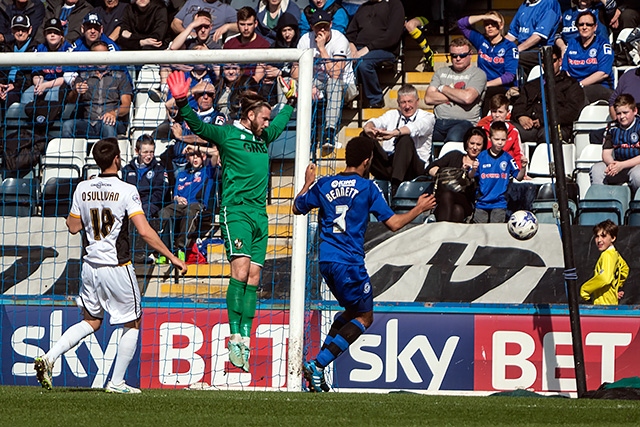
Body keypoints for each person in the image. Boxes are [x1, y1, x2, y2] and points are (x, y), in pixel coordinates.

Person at [33, 137, 186, 393]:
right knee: (133, 321)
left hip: (90, 266)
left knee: (92, 321)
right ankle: (116, 382)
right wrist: (172, 257)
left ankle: (49, 357)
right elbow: (145, 232)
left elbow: (72, 227)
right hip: (116, 265)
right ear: (118, 159)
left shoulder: (83, 188)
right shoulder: (127, 190)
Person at [166, 70, 295, 372]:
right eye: (263, 118)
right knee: (239, 273)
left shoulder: (264, 136)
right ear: (250, 115)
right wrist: (183, 101)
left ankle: (246, 340)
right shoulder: (228, 134)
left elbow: (280, 120)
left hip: (259, 215)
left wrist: (292, 99)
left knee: (254, 278)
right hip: (235, 211)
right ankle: (234, 335)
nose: (267, 123)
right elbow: (197, 125)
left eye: (267, 120)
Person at [292, 136, 437, 392]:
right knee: (365, 317)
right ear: (367, 161)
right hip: (349, 262)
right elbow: (393, 224)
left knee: (350, 312)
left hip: (326, 261)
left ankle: (317, 371)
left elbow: (296, 207)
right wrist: (418, 209)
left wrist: (306, 184)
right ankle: (318, 364)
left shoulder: (324, 184)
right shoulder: (367, 188)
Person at [295, 10, 357, 151]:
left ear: (331, 24)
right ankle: (295, 126)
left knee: (333, 83)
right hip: (317, 83)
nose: (322, 30)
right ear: (312, 27)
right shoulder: (305, 39)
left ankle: (329, 132)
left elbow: (335, 73)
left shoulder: (340, 40)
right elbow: (295, 71)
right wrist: (308, 85)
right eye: (318, 27)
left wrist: (322, 48)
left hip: (345, 85)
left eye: (325, 26)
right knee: (288, 81)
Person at [362, 84, 435, 196]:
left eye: (410, 101)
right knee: (364, 137)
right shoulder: (392, 114)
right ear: (398, 103)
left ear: (417, 101)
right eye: (403, 102)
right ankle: (360, 181)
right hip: (390, 162)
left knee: (405, 139)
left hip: (414, 166)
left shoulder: (427, 117)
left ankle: (395, 188)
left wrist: (394, 133)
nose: (407, 106)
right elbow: (376, 121)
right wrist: (369, 128)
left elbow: (415, 128)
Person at [511, 44, 584, 144]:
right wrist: (521, 116)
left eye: (552, 61)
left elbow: (572, 111)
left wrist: (543, 119)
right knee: (505, 130)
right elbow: (519, 104)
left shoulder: (571, 85)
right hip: (530, 127)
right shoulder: (532, 84)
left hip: (556, 126)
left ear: (560, 61)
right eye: (545, 62)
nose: (548, 65)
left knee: (547, 135)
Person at [62, 41, 132, 138]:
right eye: (97, 55)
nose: (101, 58)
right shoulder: (82, 76)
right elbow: (71, 100)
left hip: (112, 122)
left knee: (107, 125)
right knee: (67, 125)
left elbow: (126, 105)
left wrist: (113, 113)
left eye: (104, 55)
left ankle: (110, 152)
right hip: (87, 122)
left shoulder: (120, 76)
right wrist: (75, 92)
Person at [157, 149, 217, 262]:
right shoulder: (181, 175)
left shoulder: (207, 171)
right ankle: (164, 251)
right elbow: (175, 195)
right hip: (180, 205)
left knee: (190, 211)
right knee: (163, 212)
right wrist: (177, 198)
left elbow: (215, 154)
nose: (195, 158)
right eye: (191, 155)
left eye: (198, 155)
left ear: (203, 157)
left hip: (197, 205)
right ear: (187, 158)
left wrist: (195, 147)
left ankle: (181, 249)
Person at [424, 37, 487, 143]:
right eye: (454, 55)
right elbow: (429, 98)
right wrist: (458, 95)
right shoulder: (441, 72)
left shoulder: (478, 74)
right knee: (417, 134)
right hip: (438, 122)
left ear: (470, 54)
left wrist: (443, 88)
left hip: (465, 123)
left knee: (453, 138)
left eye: (462, 55)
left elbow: (468, 98)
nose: (458, 58)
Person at [346, 0, 405, 109]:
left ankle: (376, 99)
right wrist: (351, 46)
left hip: (385, 49)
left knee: (363, 63)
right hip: (359, 48)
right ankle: (348, 98)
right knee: (339, 61)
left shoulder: (394, 4)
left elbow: (392, 36)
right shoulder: (364, 7)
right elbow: (351, 32)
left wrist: (368, 48)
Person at [458, 11, 519, 115]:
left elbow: (509, 76)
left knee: (485, 96)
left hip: (502, 88)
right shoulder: (481, 40)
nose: (490, 27)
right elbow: (461, 24)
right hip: (482, 86)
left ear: (501, 25)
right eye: (486, 24)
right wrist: (483, 16)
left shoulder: (510, 47)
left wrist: (485, 85)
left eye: (493, 23)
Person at [122, 134, 169, 264]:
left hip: (150, 205)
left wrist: (141, 205)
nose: (149, 156)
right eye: (146, 152)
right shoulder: (127, 170)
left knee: (143, 214)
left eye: (152, 152)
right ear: (137, 152)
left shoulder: (159, 169)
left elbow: (160, 193)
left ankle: (139, 252)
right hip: (130, 204)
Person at [470, 121, 528, 223]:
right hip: (482, 203)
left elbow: (518, 177)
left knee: (496, 233)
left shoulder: (508, 158)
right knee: (479, 233)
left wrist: (523, 168)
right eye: (496, 139)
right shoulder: (482, 156)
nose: (500, 142)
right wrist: (474, 169)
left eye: (503, 139)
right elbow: (470, 175)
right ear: (489, 138)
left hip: (499, 203)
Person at [427, 127, 485, 223]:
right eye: (472, 143)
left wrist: (471, 172)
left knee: (448, 195)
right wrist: (448, 173)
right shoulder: (454, 156)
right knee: (457, 211)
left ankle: (441, 232)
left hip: (467, 201)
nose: (475, 147)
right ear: (466, 143)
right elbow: (431, 168)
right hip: (446, 205)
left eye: (478, 145)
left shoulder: (483, 163)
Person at [590, 94, 640, 193]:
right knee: (597, 170)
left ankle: (636, 205)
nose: (622, 117)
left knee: (637, 175)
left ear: (635, 111)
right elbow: (606, 153)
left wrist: (622, 165)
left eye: (625, 113)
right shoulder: (612, 127)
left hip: (635, 165)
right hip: (617, 164)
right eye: (618, 113)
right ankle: (602, 204)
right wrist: (612, 165)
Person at [561, 11, 614, 103]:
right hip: (574, 86)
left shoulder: (603, 45)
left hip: (599, 86)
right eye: (581, 24)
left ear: (595, 27)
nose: (584, 27)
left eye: (588, 24)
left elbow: (603, 73)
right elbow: (566, 70)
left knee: (577, 95)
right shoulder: (572, 43)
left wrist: (579, 85)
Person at [21, 18, 72, 107]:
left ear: (61, 35)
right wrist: (39, 84)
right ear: (44, 34)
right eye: (49, 32)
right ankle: (25, 120)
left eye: (56, 32)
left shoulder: (68, 49)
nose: (52, 35)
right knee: (27, 94)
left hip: (60, 84)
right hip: (43, 81)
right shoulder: (40, 48)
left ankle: (52, 120)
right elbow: (36, 72)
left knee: (51, 95)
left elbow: (66, 77)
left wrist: (46, 85)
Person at [505, 0, 561, 78]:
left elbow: (538, 36)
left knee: (511, 58)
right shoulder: (524, 5)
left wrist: (516, 50)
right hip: (523, 49)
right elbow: (511, 35)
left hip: (541, 49)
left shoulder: (549, 3)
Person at [580, 219, 628, 305]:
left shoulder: (607, 255)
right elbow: (625, 269)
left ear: (613, 238)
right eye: (597, 236)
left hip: (603, 304)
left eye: (603, 236)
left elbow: (605, 278)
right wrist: (615, 289)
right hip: (611, 301)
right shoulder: (615, 254)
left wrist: (584, 290)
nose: (599, 240)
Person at [0, 14, 37, 115]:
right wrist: (1, 85)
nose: (20, 33)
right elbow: (2, 71)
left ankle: (7, 129)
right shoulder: (7, 48)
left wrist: (13, 86)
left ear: (30, 30)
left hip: (21, 87)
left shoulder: (35, 48)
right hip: (7, 85)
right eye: (17, 29)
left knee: (10, 97)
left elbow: (30, 76)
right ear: (12, 31)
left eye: (23, 30)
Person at [478, 93, 525, 168]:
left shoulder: (513, 131)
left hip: (507, 169)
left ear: (507, 112)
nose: (497, 115)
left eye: (500, 112)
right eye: (494, 111)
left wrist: (519, 171)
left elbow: (518, 154)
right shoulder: (484, 130)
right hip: (487, 169)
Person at [171, 0, 236, 45]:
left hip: (206, 45)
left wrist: (227, 26)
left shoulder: (225, 9)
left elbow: (243, 24)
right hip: (182, 42)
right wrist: (188, 33)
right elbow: (175, 23)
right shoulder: (191, 2)